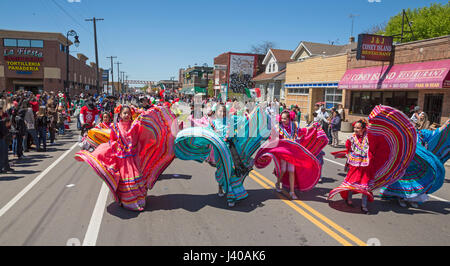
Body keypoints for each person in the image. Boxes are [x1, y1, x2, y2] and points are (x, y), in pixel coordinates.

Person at [75, 105, 178, 211]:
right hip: (122, 159)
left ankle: (138, 200)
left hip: (133, 158)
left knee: (136, 179)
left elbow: (143, 133)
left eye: (128, 113)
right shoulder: (115, 127)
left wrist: (141, 112)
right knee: (125, 181)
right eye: (124, 113)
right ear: (120, 115)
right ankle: (127, 202)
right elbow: (112, 141)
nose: (127, 115)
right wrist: (115, 149)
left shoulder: (135, 125)